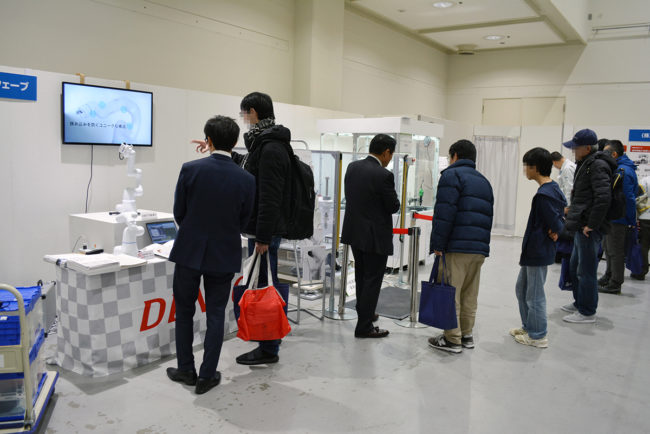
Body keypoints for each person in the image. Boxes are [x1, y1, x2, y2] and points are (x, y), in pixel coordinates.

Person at [194, 92, 292, 365]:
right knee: (264, 283)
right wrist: (218, 151)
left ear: (253, 112)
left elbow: (270, 196)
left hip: (264, 231)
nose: (244, 119)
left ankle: (269, 347)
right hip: (261, 229)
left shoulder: (270, 146)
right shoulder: (265, 142)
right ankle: (269, 338)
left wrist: (262, 236)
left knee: (264, 286)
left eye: (244, 113)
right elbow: (252, 169)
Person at [167, 116, 255, 394]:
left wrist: (194, 231)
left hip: (189, 250)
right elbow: (244, 220)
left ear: (208, 140)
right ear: (236, 141)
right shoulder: (247, 179)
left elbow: (179, 211)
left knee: (184, 310)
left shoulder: (190, 169)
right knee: (216, 314)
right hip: (224, 251)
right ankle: (206, 376)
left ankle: (185, 369)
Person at [428, 139, 494, 353]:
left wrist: (438, 244)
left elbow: (444, 213)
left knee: (451, 293)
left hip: (456, 247)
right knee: (469, 294)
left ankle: (452, 339)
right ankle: (466, 335)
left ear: (455, 155)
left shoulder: (451, 176)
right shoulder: (484, 181)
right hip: (478, 249)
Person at [341, 134, 400, 338]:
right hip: (375, 236)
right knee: (373, 280)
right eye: (390, 155)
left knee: (361, 276)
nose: (389, 159)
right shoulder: (384, 175)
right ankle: (364, 326)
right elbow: (393, 206)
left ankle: (365, 313)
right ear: (386, 152)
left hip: (354, 232)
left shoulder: (352, 167)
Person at [510, 148, 566, 348]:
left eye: (527, 166)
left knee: (534, 295)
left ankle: (538, 335)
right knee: (522, 289)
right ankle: (529, 326)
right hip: (534, 250)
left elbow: (558, 222)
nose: (525, 170)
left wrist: (556, 229)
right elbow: (563, 209)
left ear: (535, 168)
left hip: (538, 250)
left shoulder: (544, 194)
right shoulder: (552, 188)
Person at [561, 129, 617, 324]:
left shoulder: (597, 165)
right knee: (576, 266)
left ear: (587, 148)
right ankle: (580, 302)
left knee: (586, 270)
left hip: (588, 228)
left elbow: (603, 198)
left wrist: (591, 225)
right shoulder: (585, 163)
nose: (573, 151)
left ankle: (587, 312)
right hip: (581, 224)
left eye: (576, 147)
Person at [598, 139, 639, 294]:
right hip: (612, 216)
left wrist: (630, 219)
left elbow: (629, 198)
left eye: (606, 153)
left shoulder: (624, 171)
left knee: (615, 251)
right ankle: (609, 275)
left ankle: (615, 282)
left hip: (619, 218)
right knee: (608, 248)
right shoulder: (619, 168)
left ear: (614, 154)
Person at [634, 175, 650, 280]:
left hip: (645, 217)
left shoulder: (645, 180)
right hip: (645, 217)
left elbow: (636, 198)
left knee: (644, 245)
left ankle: (641, 271)